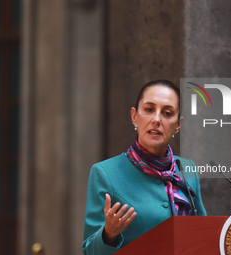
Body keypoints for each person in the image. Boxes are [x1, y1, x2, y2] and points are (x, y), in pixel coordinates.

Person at [82, 80, 206, 255]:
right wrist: (108, 234)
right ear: (134, 116)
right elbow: (90, 251)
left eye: (167, 113)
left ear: (178, 124)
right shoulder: (105, 173)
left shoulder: (186, 168)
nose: (156, 120)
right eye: (149, 110)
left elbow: (204, 232)